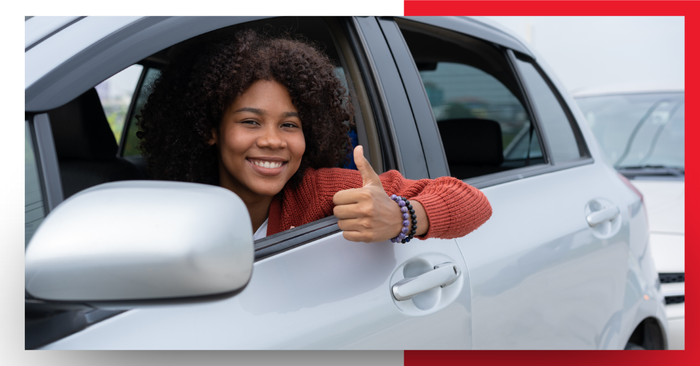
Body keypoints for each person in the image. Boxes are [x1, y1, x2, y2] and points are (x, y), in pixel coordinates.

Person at [138, 29, 492, 242]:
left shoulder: (318, 191)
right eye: (251, 122)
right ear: (211, 129)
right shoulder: (169, 208)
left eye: (290, 125)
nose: (273, 141)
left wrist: (403, 217)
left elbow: (472, 201)